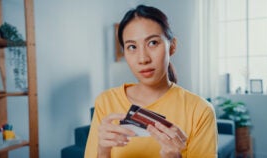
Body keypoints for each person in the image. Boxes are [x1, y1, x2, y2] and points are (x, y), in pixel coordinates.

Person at [85, 4, 217, 158]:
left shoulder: (200, 110)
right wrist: (103, 151)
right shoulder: (106, 101)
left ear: (172, 46)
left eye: (153, 43)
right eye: (132, 47)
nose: (143, 59)